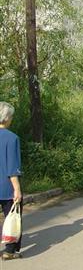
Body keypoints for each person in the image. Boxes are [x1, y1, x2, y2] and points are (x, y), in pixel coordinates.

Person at [0, 102, 22, 260]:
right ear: (6, 118)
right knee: (13, 216)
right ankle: (10, 251)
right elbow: (12, 166)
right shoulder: (12, 138)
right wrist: (17, 189)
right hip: (6, 186)